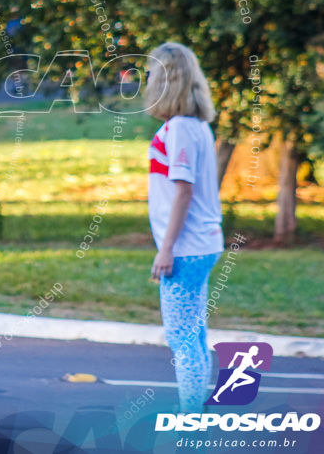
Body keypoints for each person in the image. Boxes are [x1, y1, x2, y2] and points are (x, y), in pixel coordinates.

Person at [143, 42, 223, 413]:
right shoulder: (197, 126)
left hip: (187, 248)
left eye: (150, 73)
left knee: (182, 336)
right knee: (195, 332)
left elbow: (184, 191)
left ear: (165, 79)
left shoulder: (178, 129)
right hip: (203, 243)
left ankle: (190, 416)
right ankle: (196, 410)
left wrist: (166, 247)